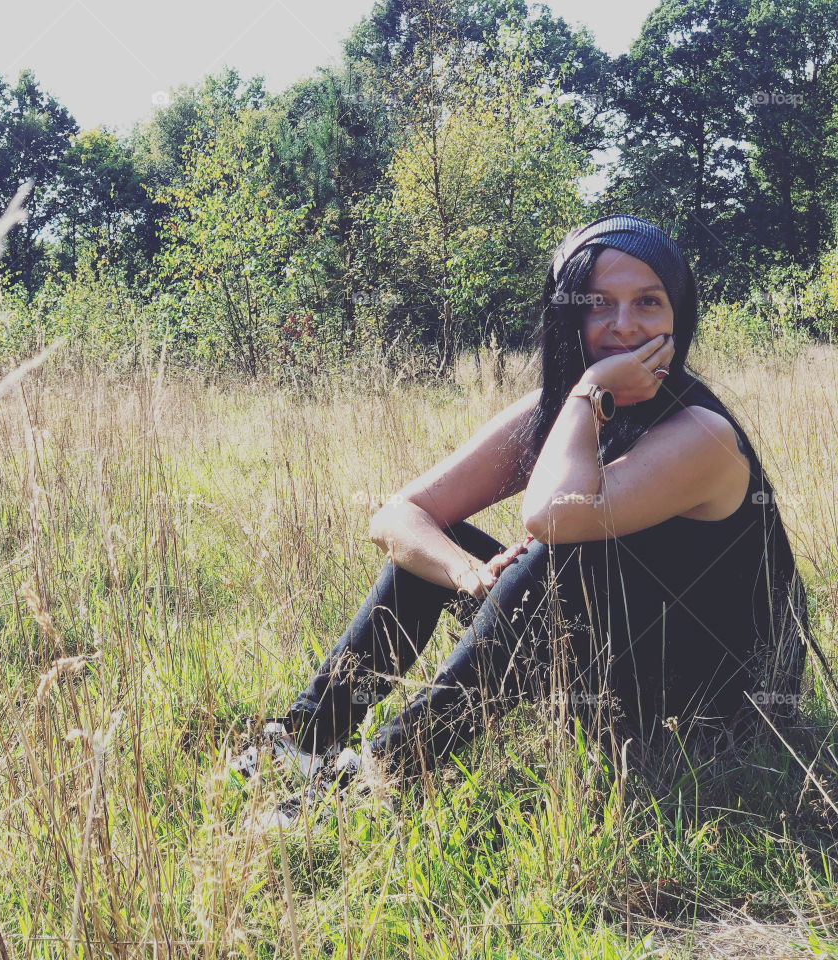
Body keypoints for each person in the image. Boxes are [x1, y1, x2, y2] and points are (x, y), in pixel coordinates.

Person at [230, 214, 811, 804]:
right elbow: (398, 515)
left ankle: (385, 771)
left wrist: (590, 392)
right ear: (568, 315)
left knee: (554, 560)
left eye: (649, 302)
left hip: (714, 712)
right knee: (442, 542)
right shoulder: (562, 409)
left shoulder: (701, 434)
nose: (625, 326)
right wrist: (466, 572)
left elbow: (554, 518)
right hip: (617, 663)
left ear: (678, 316)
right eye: (599, 304)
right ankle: (305, 744)